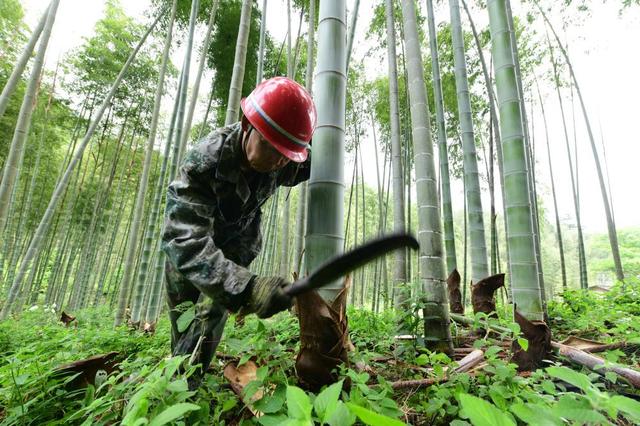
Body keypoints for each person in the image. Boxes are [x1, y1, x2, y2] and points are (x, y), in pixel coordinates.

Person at [161, 77, 316, 387]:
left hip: (235, 246)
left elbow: (313, 159)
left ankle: (187, 386)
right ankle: (172, 387)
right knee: (184, 316)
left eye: (287, 155)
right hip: (192, 250)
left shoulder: (283, 158)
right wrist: (247, 288)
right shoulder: (205, 161)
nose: (279, 162)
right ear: (247, 125)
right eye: (272, 149)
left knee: (211, 317)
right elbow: (182, 239)